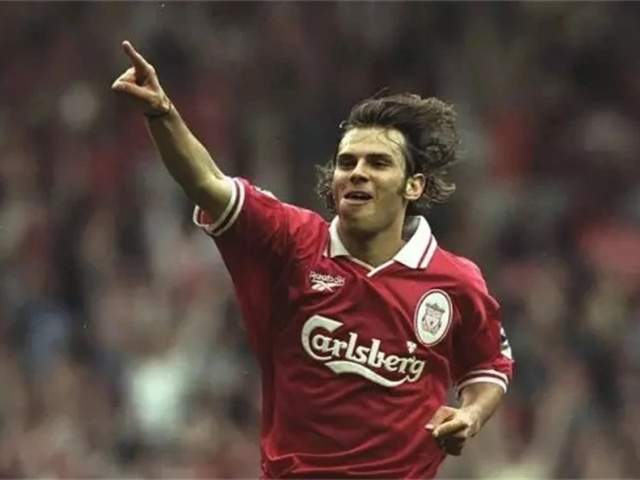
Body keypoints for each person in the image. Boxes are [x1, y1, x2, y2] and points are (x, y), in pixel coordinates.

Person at [112, 40, 514, 479]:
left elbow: (488, 364)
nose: (357, 172)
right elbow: (208, 182)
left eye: (378, 163)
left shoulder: (455, 281)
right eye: (347, 162)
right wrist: (163, 113)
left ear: (413, 186)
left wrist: (471, 415)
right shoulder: (293, 242)